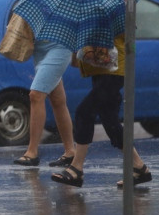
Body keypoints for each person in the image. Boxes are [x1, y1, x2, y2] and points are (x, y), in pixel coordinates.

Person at [51, 36, 152, 188]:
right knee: (109, 120)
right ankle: (139, 167)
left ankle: (76, 168)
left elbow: (124, 34)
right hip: (100, 68)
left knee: (84, 112)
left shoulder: (112, 13)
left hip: (114, 69)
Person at [13, 40, 76, 167]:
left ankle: (32, 152)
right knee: (57, 100)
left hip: (60, 46)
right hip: (39, 46)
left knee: (36, 95)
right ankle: (70, 152)